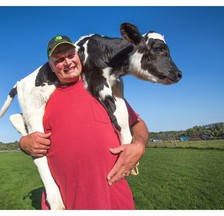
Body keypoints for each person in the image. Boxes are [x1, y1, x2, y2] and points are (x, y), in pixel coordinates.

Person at [19, 35, 149, 210]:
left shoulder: (103, 89)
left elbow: (137, 123)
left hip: (114, 201)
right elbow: (27, 131)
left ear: (79, 55)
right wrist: (23, 143)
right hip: (66, 204)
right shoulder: (42, 101)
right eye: (59, 59)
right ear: (51, 66)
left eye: (70, 55)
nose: (67, 62)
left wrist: (139, 145)